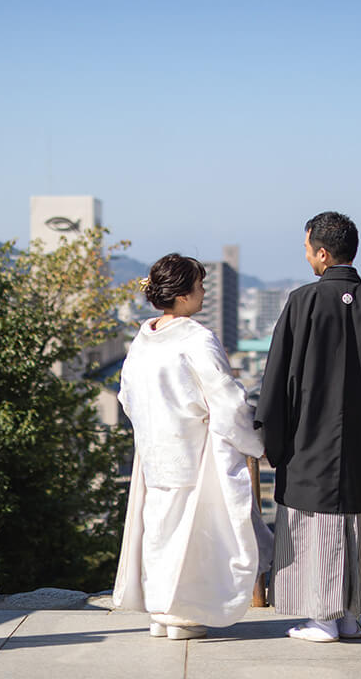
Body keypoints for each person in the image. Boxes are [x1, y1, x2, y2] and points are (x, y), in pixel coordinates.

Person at [255, 212, 361, 643]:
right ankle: (350, 616)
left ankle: (321, 619)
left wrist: (270, 436)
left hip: (308, 441)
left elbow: (277, 379)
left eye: (306, 249)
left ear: (322, 252)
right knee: (356, 524)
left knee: (314, 527)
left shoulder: (302, 302)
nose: (307, 257)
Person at [113, 253, 272, 640]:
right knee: (195, 534)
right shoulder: (196, 338)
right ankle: (183, 614)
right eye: (199, 286)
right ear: (182, 295)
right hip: (196, 450)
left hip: (155, 449)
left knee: (160, 531)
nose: (203, 293)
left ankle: (160, 611)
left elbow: (126, 399)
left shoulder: (143, 337)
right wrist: (255, 442)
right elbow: (227, 399)